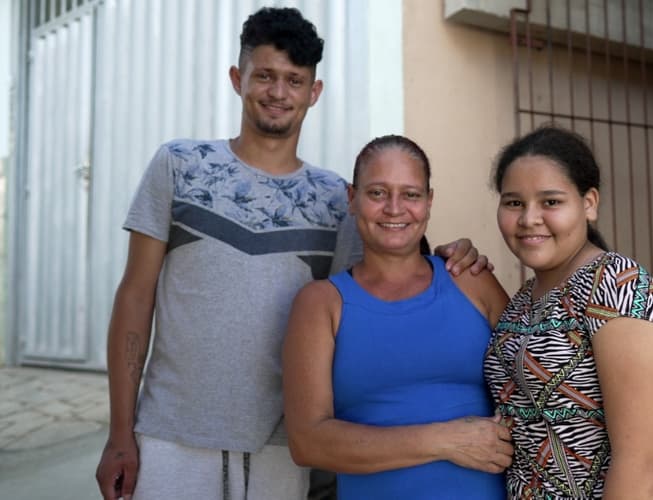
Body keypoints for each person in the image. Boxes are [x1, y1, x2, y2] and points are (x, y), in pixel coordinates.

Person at [94, 9, 487, 500]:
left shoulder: (335, 198)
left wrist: (453, 254)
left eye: (294, 80)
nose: (278, 92)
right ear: (237, 79)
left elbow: (378, 287)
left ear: (313, 92)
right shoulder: (179, 165)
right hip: (171, 436)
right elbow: (135, 296)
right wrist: (120, 432)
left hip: (281, 449)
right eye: (265, 75)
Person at [282, 135, 512, 499]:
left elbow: (537, 383)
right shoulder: (321, 304)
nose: (394, 208)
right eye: (377, 193)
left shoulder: (471, 280)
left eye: (411, 194)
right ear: (352, 198)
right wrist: (445, 440)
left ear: (429, 201)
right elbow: (307, 442)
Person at [483, 125, 653, 499]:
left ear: (589, 203)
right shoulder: (523, 300)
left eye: (551, 202)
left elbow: (642, 462)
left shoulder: (617, 285)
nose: (529, 218)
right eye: (514, 202)